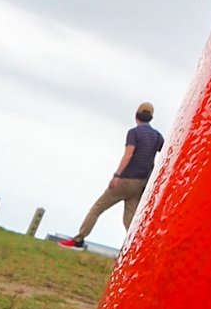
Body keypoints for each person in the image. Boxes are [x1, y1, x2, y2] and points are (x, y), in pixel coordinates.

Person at [58, 102, 165, 249]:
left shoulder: (134, 133)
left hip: (126, 179)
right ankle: (137, 248)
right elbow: (166, 153)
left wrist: (116, 175)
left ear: (136, 116)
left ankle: (78, 239)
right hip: (141, 183)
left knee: (97, 208)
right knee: (130, 219)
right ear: (151, 118)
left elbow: (128, 155)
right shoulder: (158, 136)